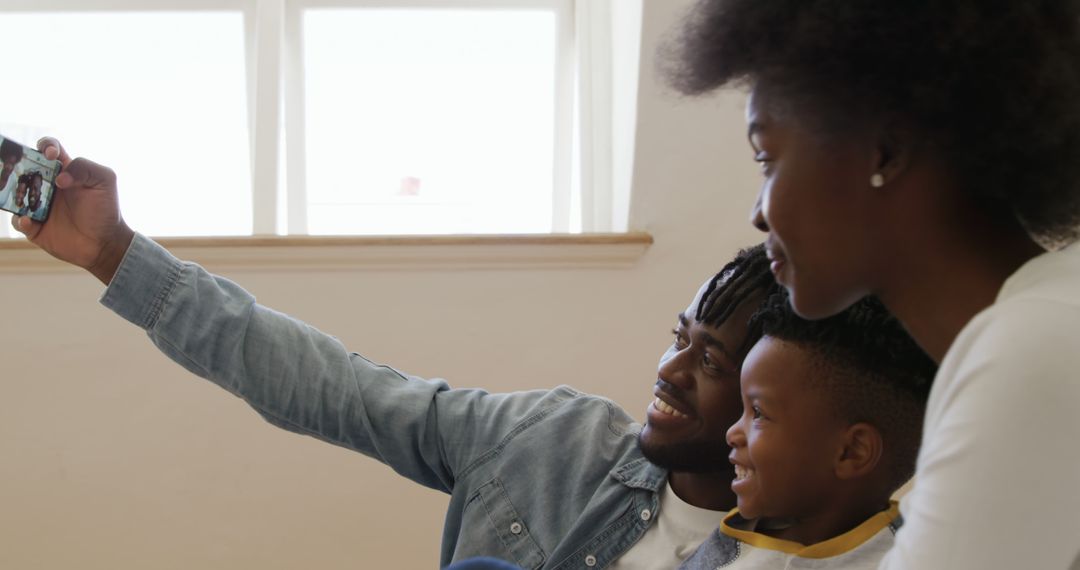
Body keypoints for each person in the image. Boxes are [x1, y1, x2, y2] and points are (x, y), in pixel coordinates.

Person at [11, 138, 779, 568]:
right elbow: (337, 389)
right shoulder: (556, 440)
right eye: (680, 338)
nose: (670, 371)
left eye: (710, 362)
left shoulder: (819, 554)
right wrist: (112, 252)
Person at [664, 1, 1080, 568]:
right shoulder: (1050, 309)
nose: (758, 214)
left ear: (882, 149)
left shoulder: (1026, 355)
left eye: (767, 161)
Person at [679, 291, 935, 569]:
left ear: (851, 451)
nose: (733, 433)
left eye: (759, 413)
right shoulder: (727, 547)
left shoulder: (914, 559)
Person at [0, 138, 23, 211]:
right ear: (3, 159)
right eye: (8, 162)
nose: (10, 167)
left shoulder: (13, 179)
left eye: (13, 164)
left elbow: (17, 200)